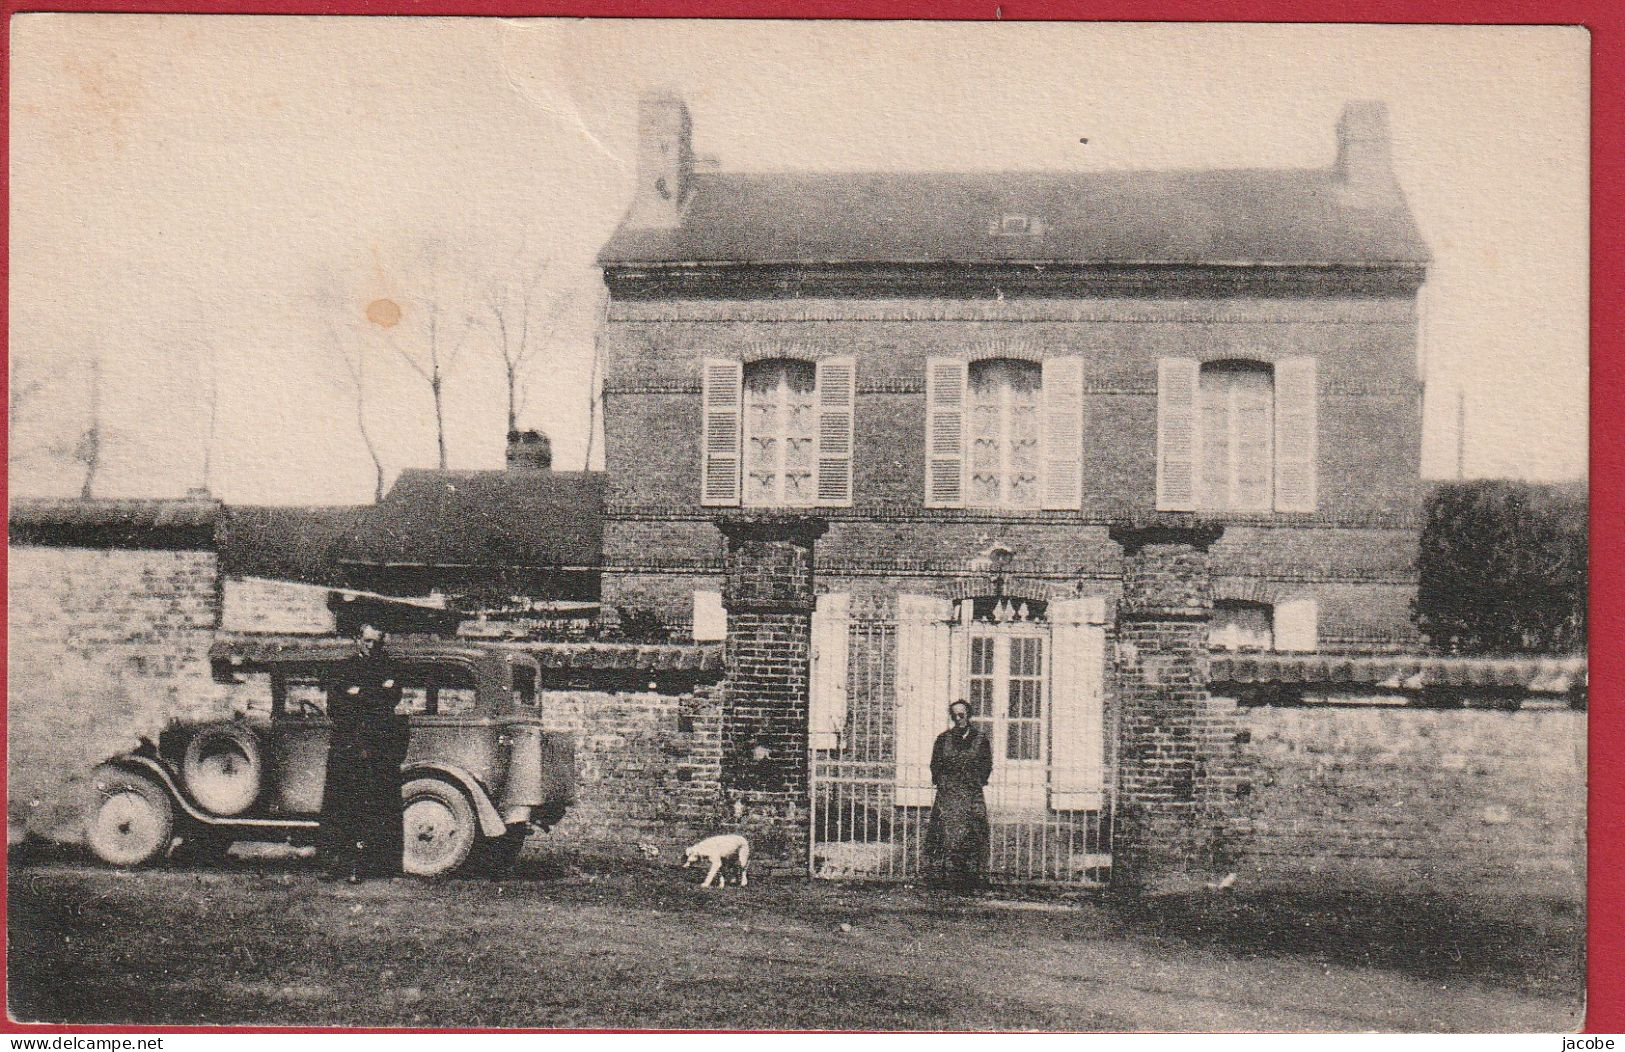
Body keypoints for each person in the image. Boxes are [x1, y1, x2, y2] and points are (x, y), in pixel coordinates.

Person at [318, 624, 407, 882]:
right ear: (358, 639)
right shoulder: (344, 668)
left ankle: (361, 865)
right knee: (339, 807)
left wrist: (357, 693)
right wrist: (376, 691)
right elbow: (335, 706)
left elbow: (392, 698)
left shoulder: (390, 667)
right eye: (367, 641)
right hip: (346, 747)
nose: (371, 646)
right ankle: (335, 863)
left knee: (368, 808)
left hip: (375, 749)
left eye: (376, 642)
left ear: (383, 641)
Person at [924, 699, 993, 891]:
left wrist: (976, 781)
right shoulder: (943, 739)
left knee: (973, 834)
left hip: (971, 794)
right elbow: (935, 765)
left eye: (962, 714)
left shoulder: (980, 739)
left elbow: (986, 766)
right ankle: (946, 880)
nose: (959, 718)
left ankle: (971, 879)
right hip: (949, 795)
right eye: (955, 715)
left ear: (968, 715)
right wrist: (943, 782)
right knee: (946, 835)